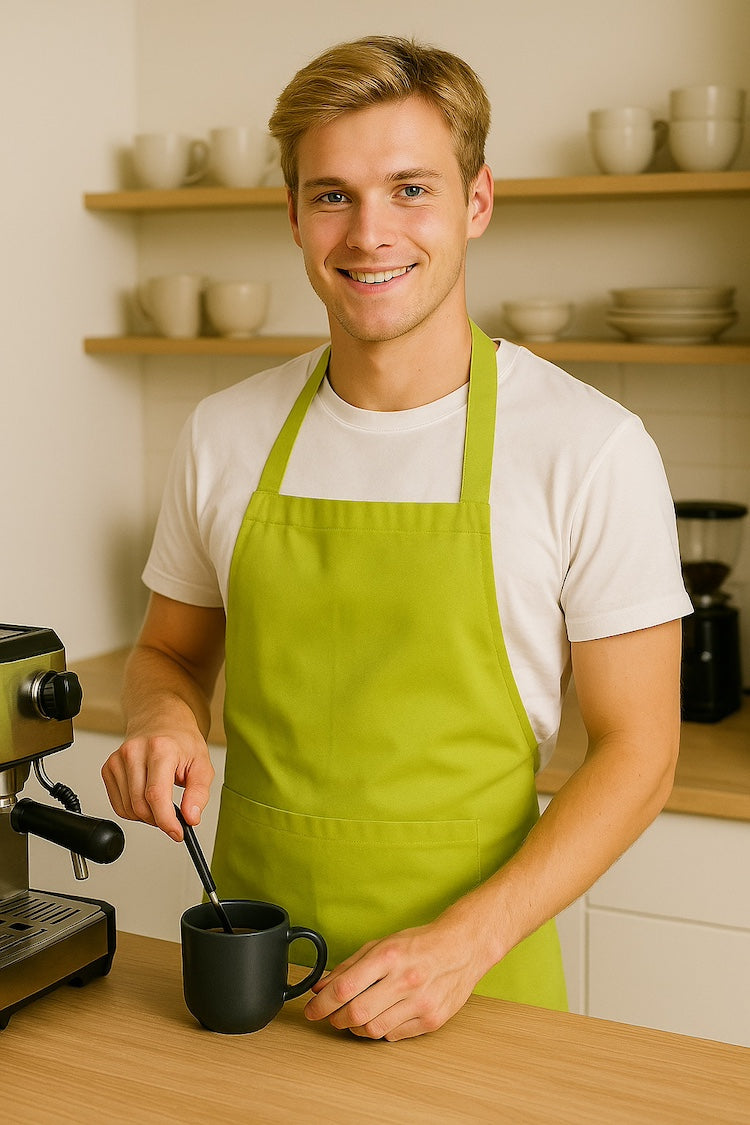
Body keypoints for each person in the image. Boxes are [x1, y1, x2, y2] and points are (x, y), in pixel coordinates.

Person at [102, 35, 692, 1042]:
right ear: (292, 215)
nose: (369, 233)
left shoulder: (590, 448)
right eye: (332, 195)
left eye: (409, 189)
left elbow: (642, 753)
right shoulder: (225, 433)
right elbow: (168, 653)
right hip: (251, 983)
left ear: (476, 202)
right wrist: (160, 718)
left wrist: (464, 943)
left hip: (477, 988)